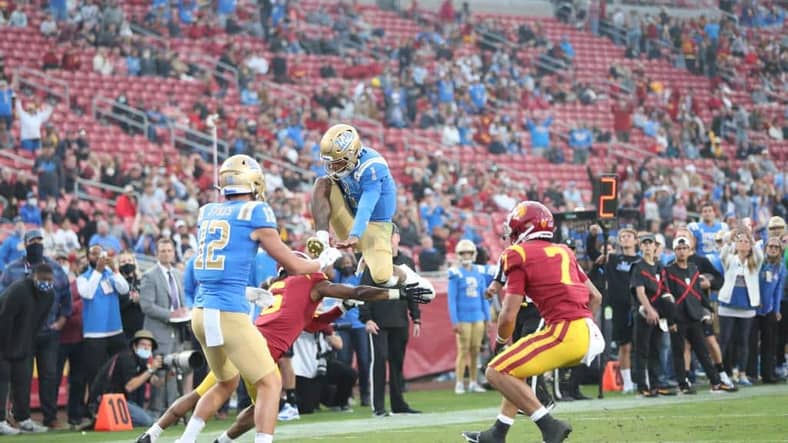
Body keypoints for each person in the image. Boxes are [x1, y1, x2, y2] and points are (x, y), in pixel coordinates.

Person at [135, 250, 430, 443]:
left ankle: (154, 434)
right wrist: (398, 294)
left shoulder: (279, 285)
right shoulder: (310, 281)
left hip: (246, 340)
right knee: (254, 399)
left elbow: (310, 322)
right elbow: (356, 290)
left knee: (219, 393)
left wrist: (341, 308)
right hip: (258, 350)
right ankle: (203, 441)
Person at [180, 154, 343, 443]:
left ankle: (185, 440)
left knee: (224, 381)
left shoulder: (207, 212)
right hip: (228, 311)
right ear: (253, 181)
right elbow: (293, 266)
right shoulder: (255, 211)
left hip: (201, 313)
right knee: (271, 383)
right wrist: (322, 261)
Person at [463, 201, 604, 443]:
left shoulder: (518, 254)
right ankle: (498, 433)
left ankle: (549, 425)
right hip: (588, 331)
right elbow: (596, 296)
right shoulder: (564, 251)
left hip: (564, 331)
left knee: (496, 370)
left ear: (524, 228)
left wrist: (499, 341)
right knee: (515, 370)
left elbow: (509, 313)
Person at [310, 124, 434, 295]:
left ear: (352, 154)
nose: (333, 168)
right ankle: (322, 242)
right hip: (351, 216)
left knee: (383, 277)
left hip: (376, 225)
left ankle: (408, 276)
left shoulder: (373, 166)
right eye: (330, 163)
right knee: (322, 183)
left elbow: (367, 204)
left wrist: (356, 234)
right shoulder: (342, 167)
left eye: (337, 163)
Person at [0, 229, 72, 429]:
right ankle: (15, 416)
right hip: (16, 334)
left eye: (40, 240)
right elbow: (3, 304)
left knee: (49, 375)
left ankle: (49, 417)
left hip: (46, 331)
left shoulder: (55, 268)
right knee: (17, 375)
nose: (37, 243)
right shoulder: (12, 269)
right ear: (25, 244)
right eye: (33, 240)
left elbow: (66, 298)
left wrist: (61, 321)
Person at [360, 224, 424, 417]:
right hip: (378, 321)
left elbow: (414, 290)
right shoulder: (374, 260)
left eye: (391, 235)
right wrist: (367, 319)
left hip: (399, 319)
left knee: (397, 363)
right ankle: (377, 406)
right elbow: (363, 291)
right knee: (379, 362)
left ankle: (399, 404)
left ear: (397, 237)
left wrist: (417, 317)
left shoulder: (407, 262)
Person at [661, 236, 736, 393]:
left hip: (694, 316)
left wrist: (708, 308)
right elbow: (666, 295)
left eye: (684, 248)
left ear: (689, 250)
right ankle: (682, 384)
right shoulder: (668, 271)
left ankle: (716, 382)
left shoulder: (694, 269)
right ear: (674, 251)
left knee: (702, 351)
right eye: (679, 249)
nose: (682, 252)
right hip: (678, 316)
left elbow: (698, 293)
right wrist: (670, 319)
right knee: (679, 352)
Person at [0, 263, 56, 435]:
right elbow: (5, 318)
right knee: (2, 383)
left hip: (24, 343)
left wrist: (27, 342)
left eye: (49, 280)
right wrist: (5, 346)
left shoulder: (50, 295)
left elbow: (39, 322)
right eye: (43, 280)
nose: (46, 283)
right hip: (3, 342)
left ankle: (23, 419)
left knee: (23, 382)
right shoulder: (18, 290)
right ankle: (1, 421)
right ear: (33, 277)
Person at [77, 245, 130, 413]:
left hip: (115, 331)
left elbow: (124, 289)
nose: (98, 257)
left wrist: (114, 269)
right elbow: (88, 293)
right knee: (95, 373)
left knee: (120, 370)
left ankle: (121, 407)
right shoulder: (83, 278)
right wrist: (98, 271)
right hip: (95, 334)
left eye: (100, 253)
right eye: (94, 254)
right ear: (88, 257)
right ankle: (94, 409)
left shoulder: (110, 274)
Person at [139, 238, 190, 415]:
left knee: (174, 371)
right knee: (159, 371)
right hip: (158, 331)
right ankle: (156, 411)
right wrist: (170, 314)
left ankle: (173, 411)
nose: (166, 254)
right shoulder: (149, 276)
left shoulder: (178, 274)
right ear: (156, 253)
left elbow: (181, 301)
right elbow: (146, 306)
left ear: (174, 253)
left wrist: (185, 310)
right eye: (163, 251)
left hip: (177, 330)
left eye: (169, 250)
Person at [590, 226, 640, 393]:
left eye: (629, 236)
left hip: (639, 307)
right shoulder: (612, 259)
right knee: (624, 346)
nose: (625, 239)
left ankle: (645, 380)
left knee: (642, 347)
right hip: (619, 308)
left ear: (636, 240)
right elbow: (592, 253)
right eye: (623, 236)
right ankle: (627, 383)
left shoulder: (641, 261)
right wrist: (593, 235)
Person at [87, 330, 162, 427]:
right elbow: (129, 387)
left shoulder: (140, 360)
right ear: (134, 346)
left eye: (149, 346)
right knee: (147, 421)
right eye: (143, 344)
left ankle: (115, 419)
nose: (146, 348)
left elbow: (156, 382)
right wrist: (151, 369)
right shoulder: (126, 358)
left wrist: (169, 374)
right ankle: (104, 419)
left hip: (120, 401)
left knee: (154, 417)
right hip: (107, 400)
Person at [629, 233, 673, 397]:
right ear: (640, 246)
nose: (647, 246)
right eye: (644, 243)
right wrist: (649, 310)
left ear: (655, 246)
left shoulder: (659, 266)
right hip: (643, 312)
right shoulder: (638, 266)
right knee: (642, 350)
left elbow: (665, 290)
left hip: (658, 312)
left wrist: (667, 310)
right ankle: (642, 386)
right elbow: (640, 292)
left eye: (650, 243)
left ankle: (655, 384)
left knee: (655, 349)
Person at [718, 229, 763, 385]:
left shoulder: (754, 262)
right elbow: (723, 251)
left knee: (744, 341)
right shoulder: (730, 259)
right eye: (740, 241)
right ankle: (723, 372)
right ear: (735, 245)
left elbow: (760, 254)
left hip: (747, 307)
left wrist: (751, 237)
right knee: (725, 340)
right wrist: (731, 236)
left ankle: (742, 373)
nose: (743, 243)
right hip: (727, 306)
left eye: (746, 241)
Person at [448, 240, 493, 394]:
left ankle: (474, 382)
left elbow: (483, 297)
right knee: (463, 350)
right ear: (458, 255)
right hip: (464, 318)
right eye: (463, 253)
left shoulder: (478, 273)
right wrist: (455, 320)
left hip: (478, 317)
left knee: (475, 350)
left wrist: (487, 317)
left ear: (474, 254)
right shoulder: (455, 273)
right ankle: (460, 383)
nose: (466, 255)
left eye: (469, 252)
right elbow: (452, 300)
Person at [748, 236, 785, 383]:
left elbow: (778, 291)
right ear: (766, 248)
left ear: (780, 250)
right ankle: (750, 374)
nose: (773, 249)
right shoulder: (759, 263)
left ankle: (767, 374)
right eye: (771, 246)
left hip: (769, 309)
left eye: (776, 247)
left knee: (769, 343)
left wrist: (776, 310)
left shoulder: (781, 268)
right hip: (754, 308)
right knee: (751, 342)